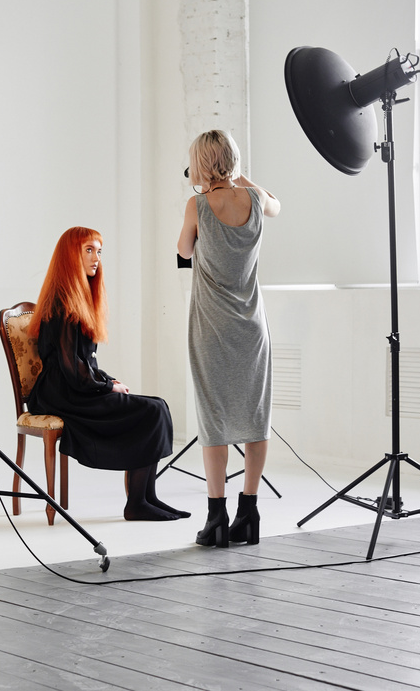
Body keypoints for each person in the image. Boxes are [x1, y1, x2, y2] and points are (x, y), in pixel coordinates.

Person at [27, 226, 187, 521]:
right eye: (88, 250)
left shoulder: (79, 297)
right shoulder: (62, 302)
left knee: (158, 406)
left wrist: (108, 381)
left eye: (98, 251)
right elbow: (69, 368)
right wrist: (105, 387)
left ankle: (147, 497)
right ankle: (137, 502)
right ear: (70, 255)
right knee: (151, 411)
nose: (96, 257)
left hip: (73, 387)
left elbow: (83, 361)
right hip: (62, 394)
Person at [177, 130, 280, 547]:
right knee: (256, 417)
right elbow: (276, 204)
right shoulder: (255, 201)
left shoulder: (197, 205)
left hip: (211, 327)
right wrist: (244, 181)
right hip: (253, 327)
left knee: (214, 420)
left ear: (201, 163)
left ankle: (216, 518)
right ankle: (249, 513)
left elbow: (184, 251)